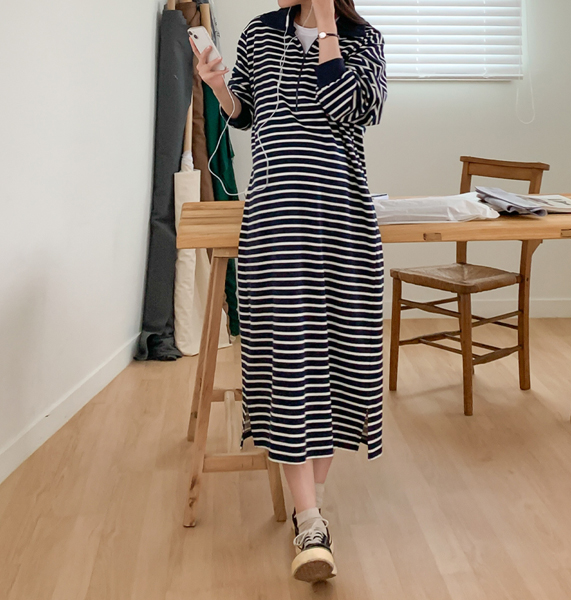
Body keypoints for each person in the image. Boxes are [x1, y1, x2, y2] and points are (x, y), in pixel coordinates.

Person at [191, 0, 387, 584]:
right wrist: (218, 85)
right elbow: (247, 113)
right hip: (276, 222)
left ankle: (311, 508)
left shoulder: (363, 38)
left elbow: (352, 106)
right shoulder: (259, 33)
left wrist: (326, 27)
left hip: (344, 223)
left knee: (338, 359)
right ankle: (310, 519)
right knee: (289, 360)